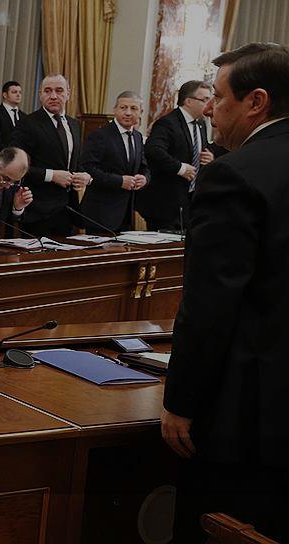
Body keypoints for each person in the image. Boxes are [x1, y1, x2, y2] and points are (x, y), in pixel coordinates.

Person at [161, 42, 289, 542]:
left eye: (217, 96)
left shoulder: (232, 175)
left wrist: (181, 401)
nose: (210, 109)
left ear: (256, 102)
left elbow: (209, 305)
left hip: (247, 411)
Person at [9, 74, 90, 237]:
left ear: (68, 94)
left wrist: (85, 176)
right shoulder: (27, 123)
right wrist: (51, 175)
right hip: (38, 210)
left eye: (59, 90)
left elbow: (74, 163)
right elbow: (14, 166)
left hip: (68, 210)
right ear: (40, 95)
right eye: (47, 91)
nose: (53, 96)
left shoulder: (74, 124)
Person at [140, 80, 215, 230]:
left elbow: (197, 149)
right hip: (165, 203)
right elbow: (153, 150)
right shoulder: (167, 123)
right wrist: (180, 168)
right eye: (205, 100)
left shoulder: (200, 124)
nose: (209, 105)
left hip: (188, 201)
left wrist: (209, 157)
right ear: (188, 101)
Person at [79, 91, 151, 233]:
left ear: (141, 112)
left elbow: (144, 167)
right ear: (115, 110)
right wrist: (119, 181)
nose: (128, 113)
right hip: (100, 214)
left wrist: (145, 179)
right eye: (123, 108)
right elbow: (88, 168)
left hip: (126, 213)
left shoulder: (137, 137)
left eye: (133, 108)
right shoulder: (99, 135)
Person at [0, 81, 26, 155]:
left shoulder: (24, 117)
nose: (18, 95)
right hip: (1, 156)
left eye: (20, 92)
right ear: (5, 95)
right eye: (14, 92)